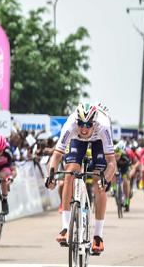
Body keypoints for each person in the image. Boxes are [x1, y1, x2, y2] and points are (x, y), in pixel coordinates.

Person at [45, 102, 116, 255]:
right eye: (81, 124)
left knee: (99, 182)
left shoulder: (103, 126)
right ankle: (65, 228)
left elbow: (112, 162)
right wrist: (51, 175)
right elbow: (56, 156)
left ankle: (98, 236)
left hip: (98, 141)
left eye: (88, 124)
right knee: (70, 172)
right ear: (76, 121)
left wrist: (106, 178)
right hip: (77, 141)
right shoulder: (70, 125)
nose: (84, 128)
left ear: (94, 123)